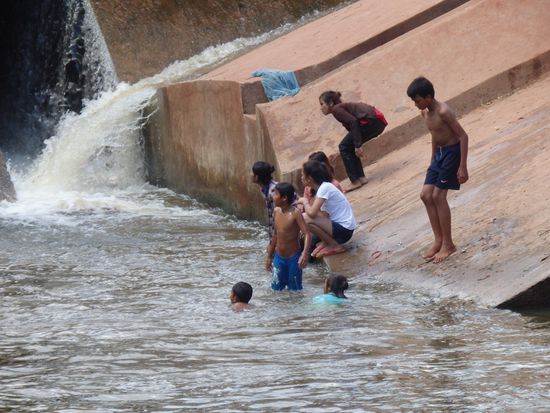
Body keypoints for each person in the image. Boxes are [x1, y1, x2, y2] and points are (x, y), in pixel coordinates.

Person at [407, 76, 469, 264]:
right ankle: (438, 239)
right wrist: (433, 159)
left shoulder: (444, 112)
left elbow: (463, 136)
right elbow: (435, 135)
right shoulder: (425, 113)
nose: (416, 104)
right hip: (439, 155)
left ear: (428, 96)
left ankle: (448, 244)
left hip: (452, 153)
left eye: (417, 100)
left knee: (438, 196)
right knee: (426, 195)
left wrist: (463, 166)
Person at [319, 90, 387, 192]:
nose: (321, 108)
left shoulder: (336, 109)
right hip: (377, 123)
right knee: (346, 147)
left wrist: (358, 145)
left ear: (331, 103)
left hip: (371, 122)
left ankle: (355, 181)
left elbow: (353, 122)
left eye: (322, 104)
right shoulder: (339, 109)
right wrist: (355, 144)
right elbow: (352, 129)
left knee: (343, 146)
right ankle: (361, 178)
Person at [297, 160, 357, 258]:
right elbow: (324, 215)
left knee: (304, 218)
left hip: (344, 231)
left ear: (309, 178)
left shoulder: (325, 188)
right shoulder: (321, 189)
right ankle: (327, 242)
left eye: (302, 175)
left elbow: (311, 213)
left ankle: (334, 245)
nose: (301, 178)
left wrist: (305, 202)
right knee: (306, 219)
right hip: (342, 230)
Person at [266, 183, 312, 291]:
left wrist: (304, 254)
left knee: (295, 290)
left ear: (284, 198)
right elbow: (276, 234)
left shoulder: (295, 213)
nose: (273, 196)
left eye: (276, 194)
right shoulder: (276, 211)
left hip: (294, 258)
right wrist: (269, 255)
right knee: (276, 289)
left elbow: (307, 234)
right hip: (279, 257)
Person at [252, 161, 277, 243]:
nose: (250, 175)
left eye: (252, 173)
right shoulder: (265, 189)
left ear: (257, 177)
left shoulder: (272, 191)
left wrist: (272, 244)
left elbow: (278, 218)